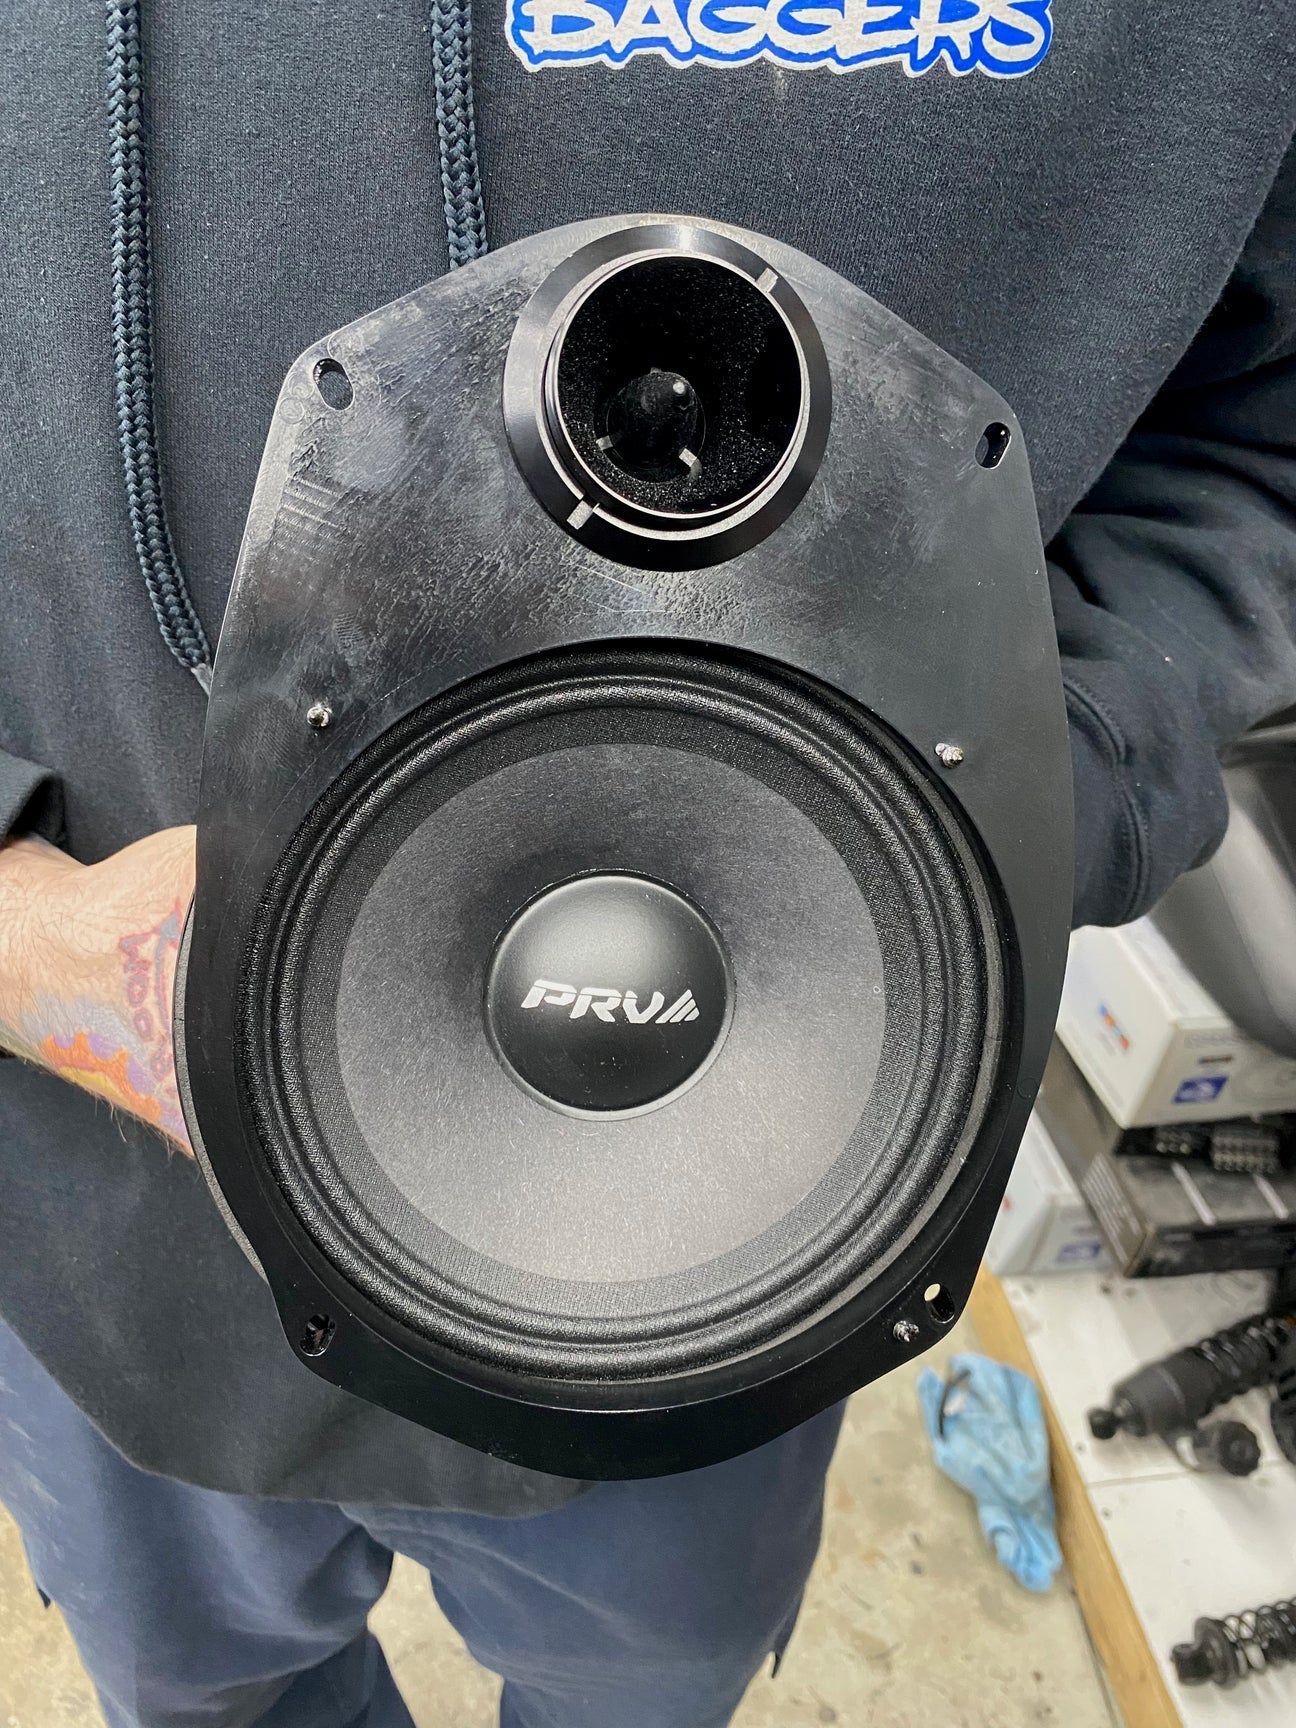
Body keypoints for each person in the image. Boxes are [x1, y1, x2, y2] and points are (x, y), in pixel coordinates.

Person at [1, 3, 1293, 1725]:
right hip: (109, 1238)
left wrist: (1045, 792)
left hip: (762, 1247)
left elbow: (1257, 439)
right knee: (210, 1697)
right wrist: (26, 928)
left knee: (641, 1700)